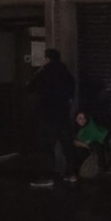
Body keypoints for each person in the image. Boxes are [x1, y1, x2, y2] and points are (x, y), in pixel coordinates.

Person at [27, 49, 76, 187]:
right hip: (63, 115)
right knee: (67, 145)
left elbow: (30, 87)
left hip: (47, 115)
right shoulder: (67, 74)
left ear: (47, 59)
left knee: (47, 147)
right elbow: (71, 93)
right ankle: (71, 173)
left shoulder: (44, 73)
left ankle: (46, 176)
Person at [73, 111, 110, 178]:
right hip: (87, 148)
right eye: (80, 118)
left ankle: (100, 168)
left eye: (84, 118)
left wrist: (84, 144)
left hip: (99, 142)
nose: (83, 120)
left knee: (96, 146)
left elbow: (94, 136)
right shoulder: (76, 128)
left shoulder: (91, 125)